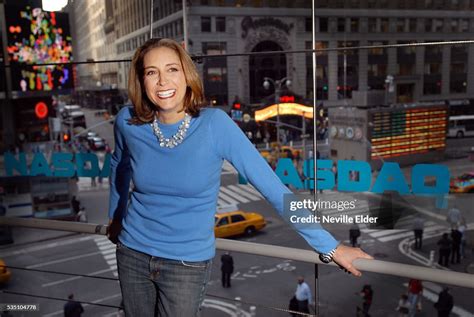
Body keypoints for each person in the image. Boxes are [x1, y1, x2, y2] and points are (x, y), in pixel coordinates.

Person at [107, 38, 372, 316]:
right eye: (152, 72)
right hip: (132, 253)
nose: (162, 81)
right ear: (141, 79)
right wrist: (115, 217)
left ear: (187, 74)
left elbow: (273, 188)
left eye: (172, 69)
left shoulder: (215, 125)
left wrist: (330, 247)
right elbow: (119, 167)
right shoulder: (127, 121)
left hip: (185, 264)